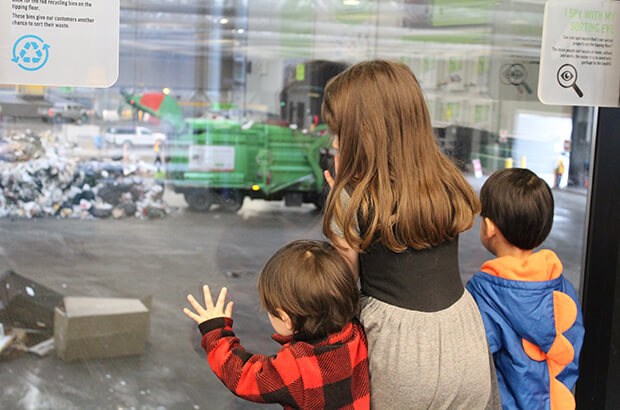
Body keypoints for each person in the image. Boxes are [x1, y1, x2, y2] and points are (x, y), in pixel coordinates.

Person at [322, 60, 500, 409]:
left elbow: (343, 284)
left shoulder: (352, 197)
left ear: (366, 132)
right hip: (463, 336)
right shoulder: (447, 182)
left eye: (340, 130)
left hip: (397, 351)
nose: (333, 140)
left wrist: (339, 201)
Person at [183, 240, 370, 409]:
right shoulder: (355, 333)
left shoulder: (297, 368)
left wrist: (215, 330)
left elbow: (243, 376)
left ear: (286, 318)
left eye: (270, 311)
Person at [466, 168, 584, 410]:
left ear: (489, 227)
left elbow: (474, 361)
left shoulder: (484, 292)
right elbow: (570, 350)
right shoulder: (562, 288)